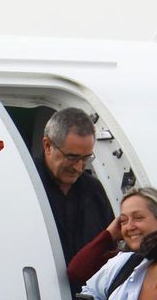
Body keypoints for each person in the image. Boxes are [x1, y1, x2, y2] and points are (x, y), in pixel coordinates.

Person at [36, 107, 114, 262]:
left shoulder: (94, 190)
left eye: (86, 158)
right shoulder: (27, 188)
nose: (79, 168)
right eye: (72, 157)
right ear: (47, 146)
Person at [67, 186, 157, 290]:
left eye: (138, 218)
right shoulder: (120, 262)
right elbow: (76, 272)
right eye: (123, 220)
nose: (129, 227)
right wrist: (109, 235)